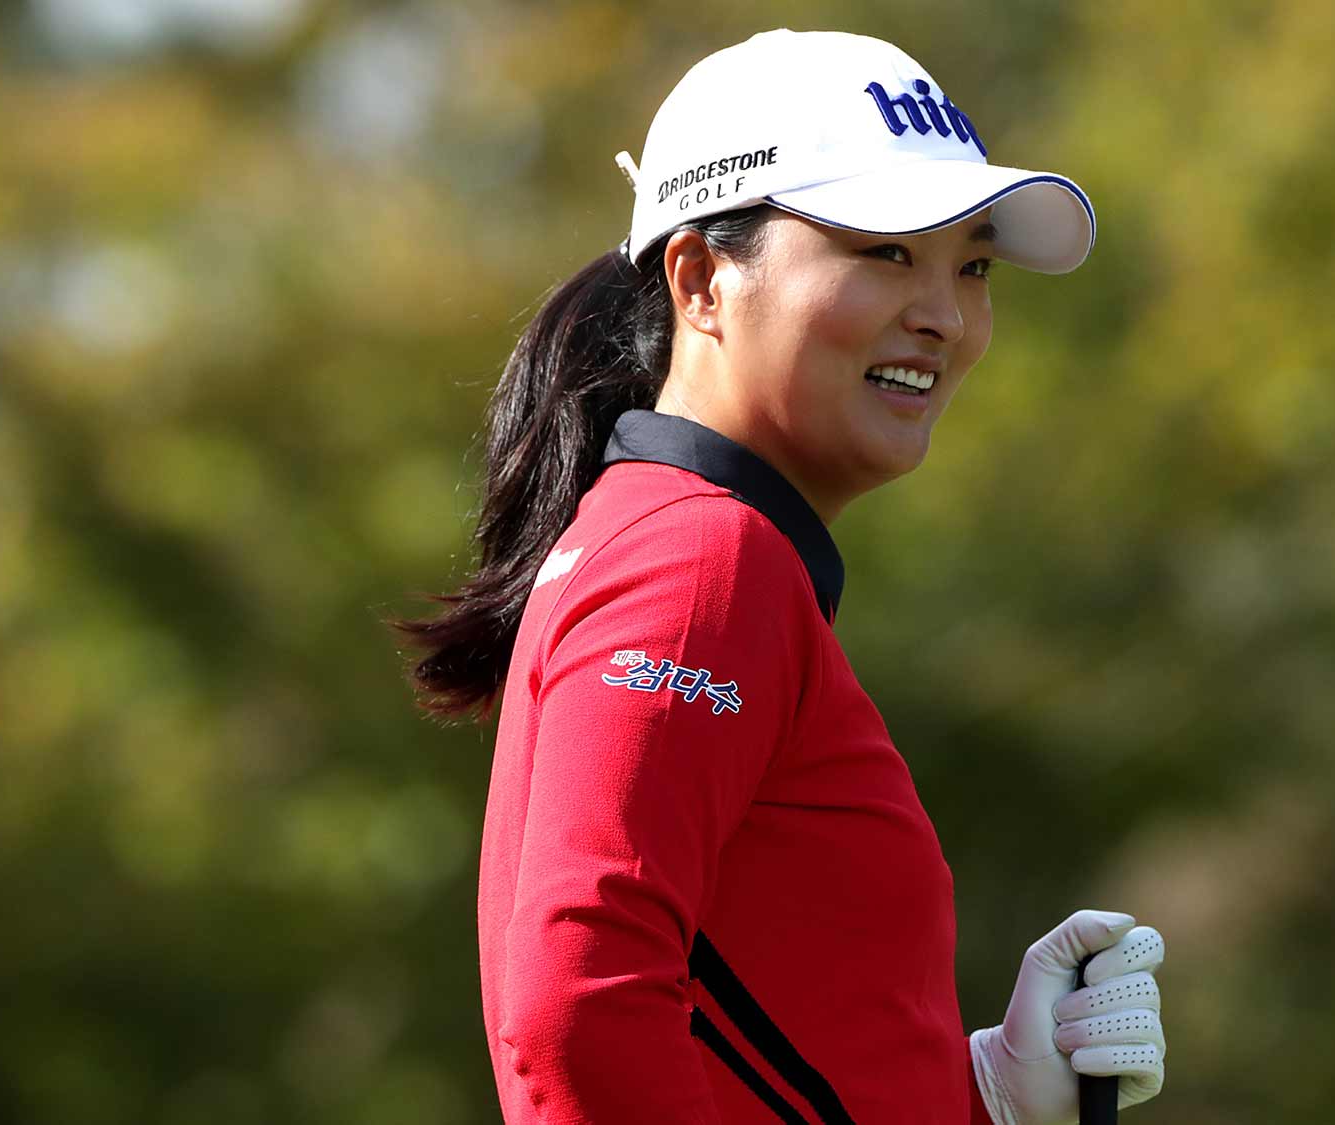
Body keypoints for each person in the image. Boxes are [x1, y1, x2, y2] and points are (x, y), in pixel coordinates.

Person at [397, 29, 1168, 1124]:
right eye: (884, 251)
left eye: (973, 266)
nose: (945, 315)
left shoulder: (678, 545)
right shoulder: (704, 562)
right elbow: (576, 1011)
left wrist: (975, 1091)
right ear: (702, 278)